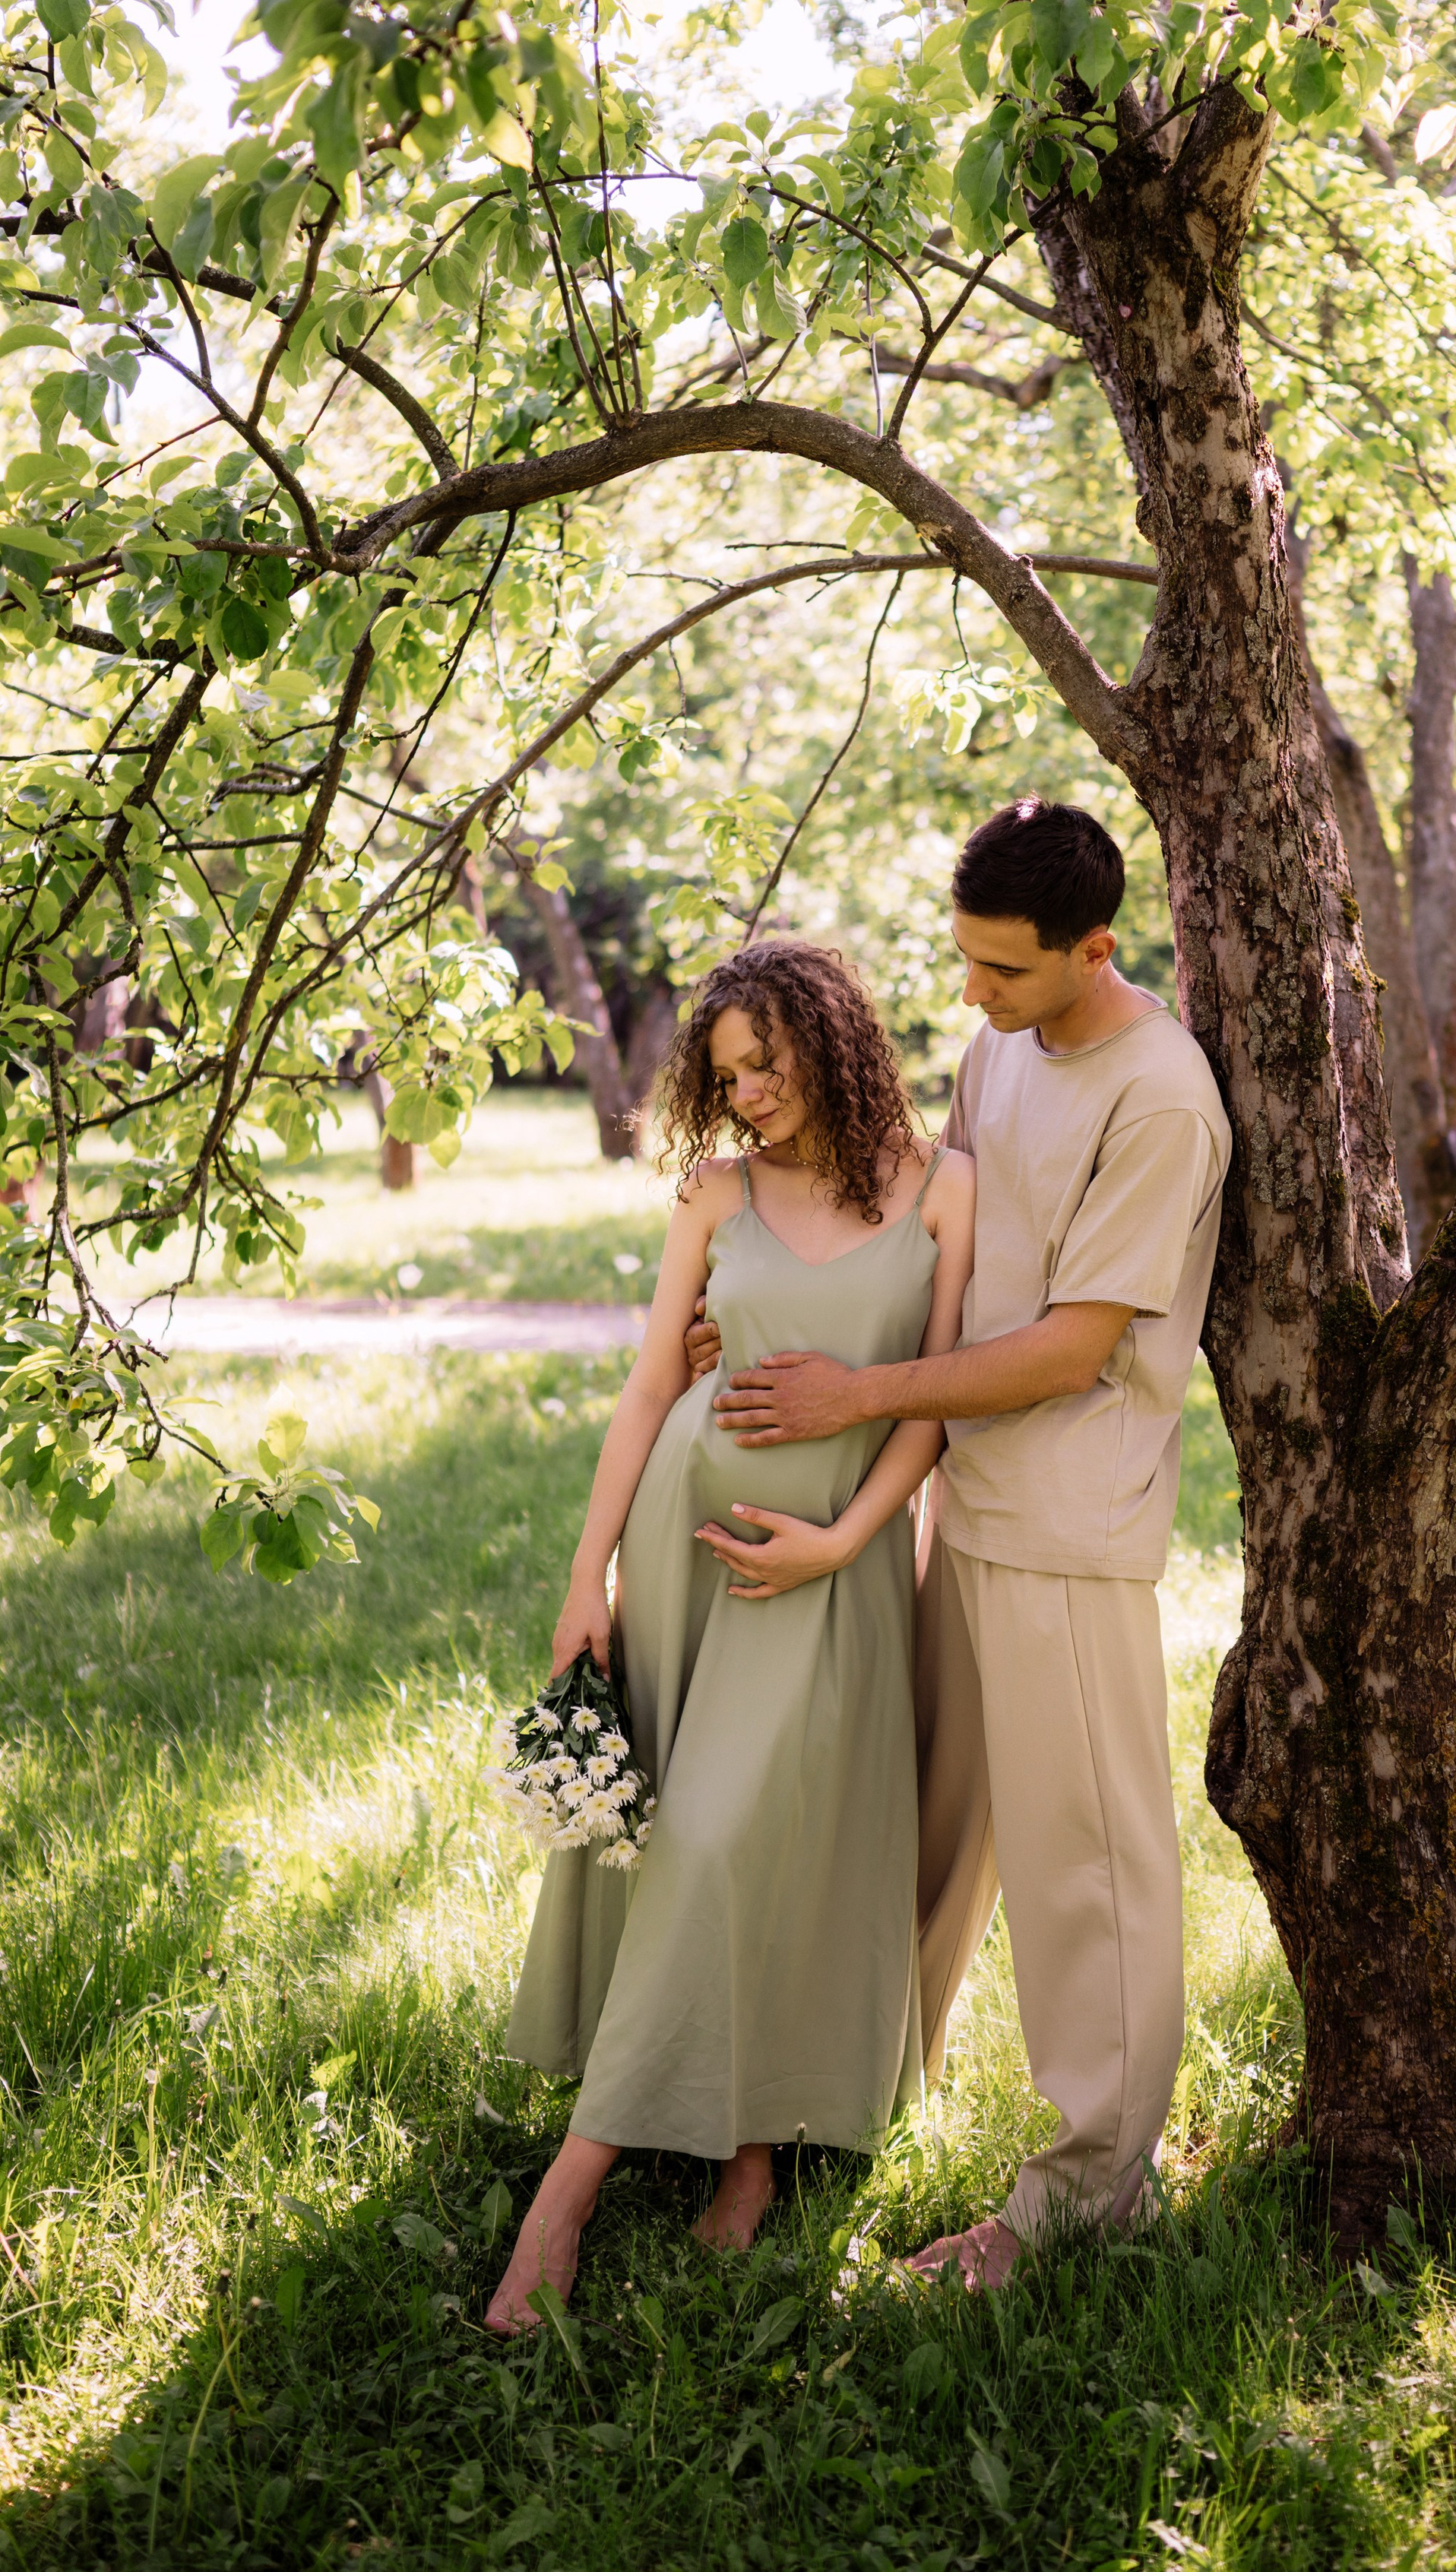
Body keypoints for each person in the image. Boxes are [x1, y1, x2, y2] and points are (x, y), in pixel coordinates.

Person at [709, 801, 1232, 2289]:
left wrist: (861, 1395)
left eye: (1003, 968)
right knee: (917, 1824)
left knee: (1086, 1880)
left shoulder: (1161, 1099)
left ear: (1094, 949)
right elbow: (931, 1240)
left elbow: (1070, 1348)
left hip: (1071, 1529)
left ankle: (1086, 2198)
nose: (973, 993)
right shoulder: (1001, 1048)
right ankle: (847, 2095)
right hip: (965, 1495)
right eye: (965, 960)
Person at [486, 939, 974, 2333]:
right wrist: (588, 1574)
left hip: (831, 1566)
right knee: (699, 1835)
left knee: (745, 1837)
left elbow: (932, 1401)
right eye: (729, 1075)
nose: (750, 1094)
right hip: (686, 1539)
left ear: (835, 1038)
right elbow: (654, 1387)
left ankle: (578, 2193)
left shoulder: (945, 1192)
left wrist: (847, 1537)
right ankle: (731, 2151)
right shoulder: (715, 1193)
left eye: (768, 1063)